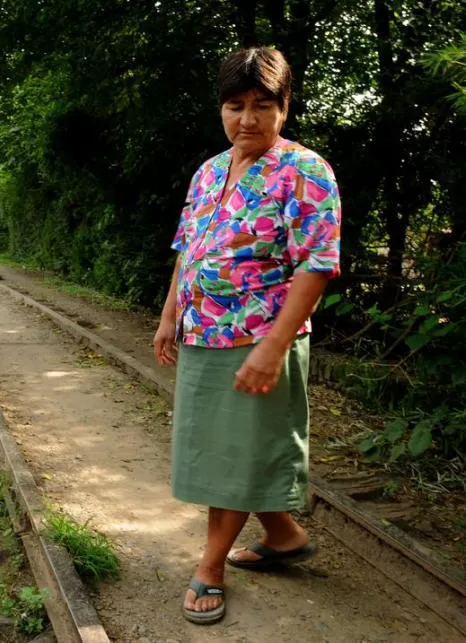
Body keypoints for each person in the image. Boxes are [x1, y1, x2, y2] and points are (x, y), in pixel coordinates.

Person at [152, 47, 341, 625]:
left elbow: (317, 264)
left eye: (263, 106)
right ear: (221, 109)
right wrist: (168, 316)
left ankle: (210, 567)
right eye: (236, 106)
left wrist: (273, 347)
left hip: (260, 338)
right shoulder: (210, 170)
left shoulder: (305, 171)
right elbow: (189, 248)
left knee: (232, 452)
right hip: (204, 334)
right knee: (224, 447)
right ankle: (283, 535)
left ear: (284, 107)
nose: (248, 119)